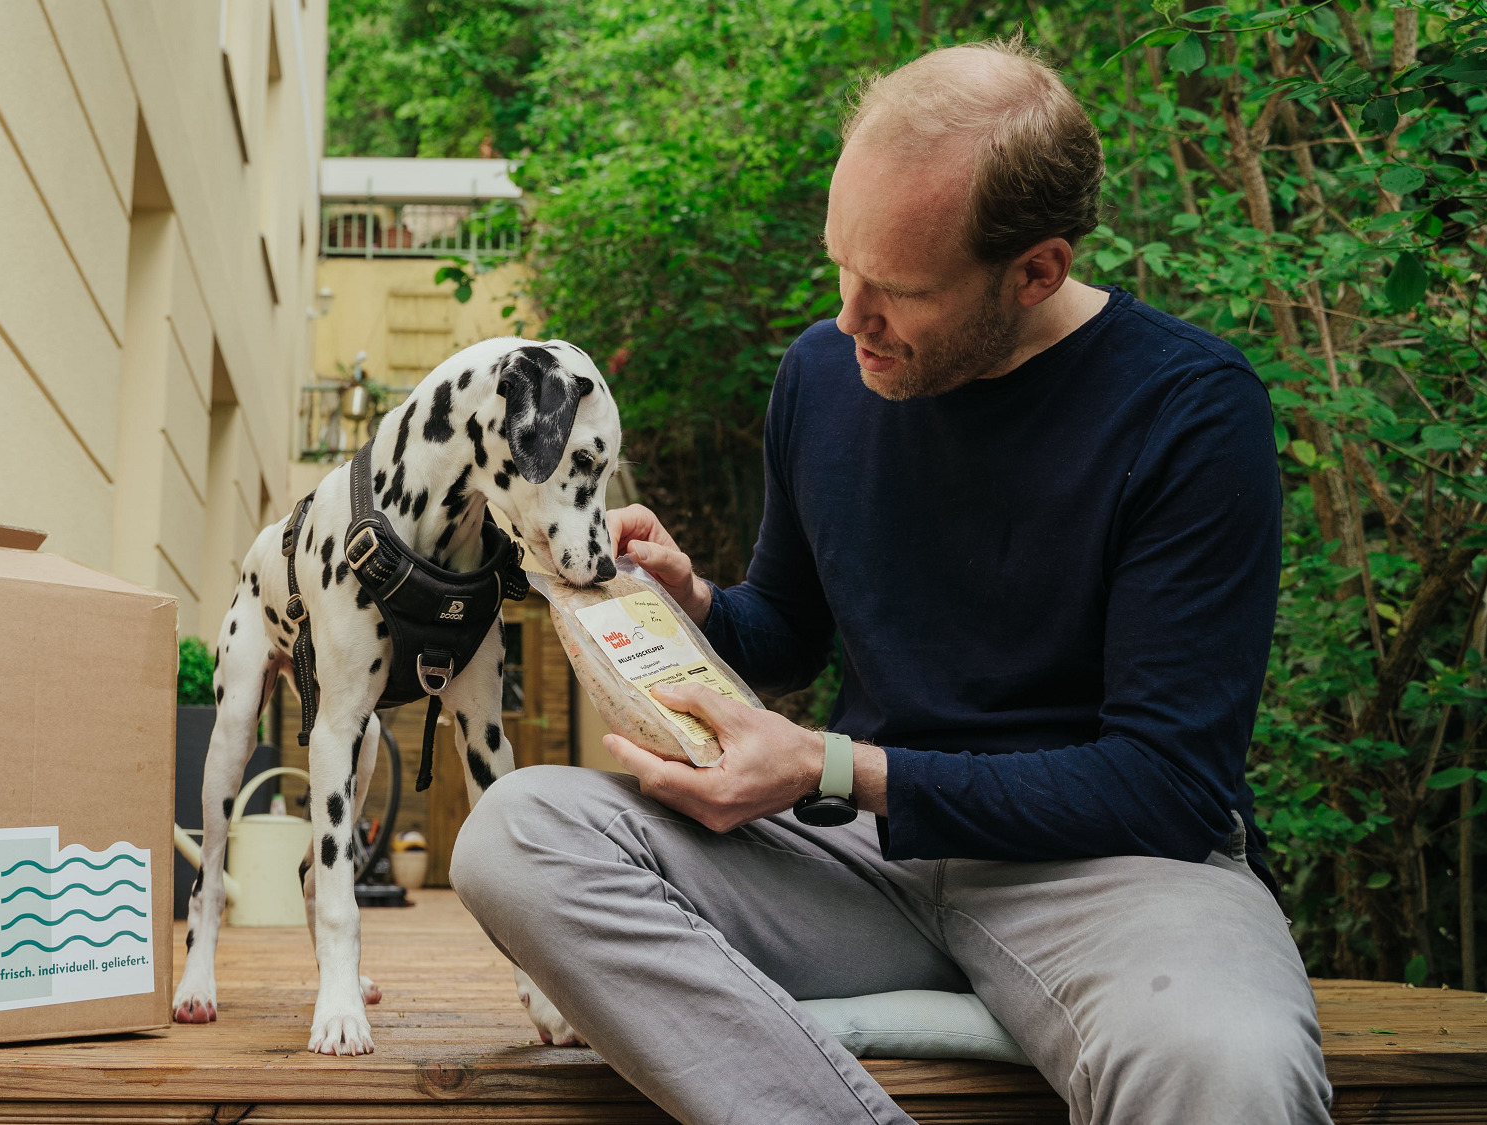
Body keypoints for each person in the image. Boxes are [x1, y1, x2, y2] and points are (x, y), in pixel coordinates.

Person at [449, 39, 1332, 1125]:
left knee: (1229, 1066)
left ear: (1036, 271)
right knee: (518, 835)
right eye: (842, 266)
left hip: (1113, 873)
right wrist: (695, 602)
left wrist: (829, 765)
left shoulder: (1190, 410)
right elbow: (790, 630)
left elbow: (1166, 782)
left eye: (899, 290)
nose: (849, 316)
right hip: (859, 865)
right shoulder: (824, 375)